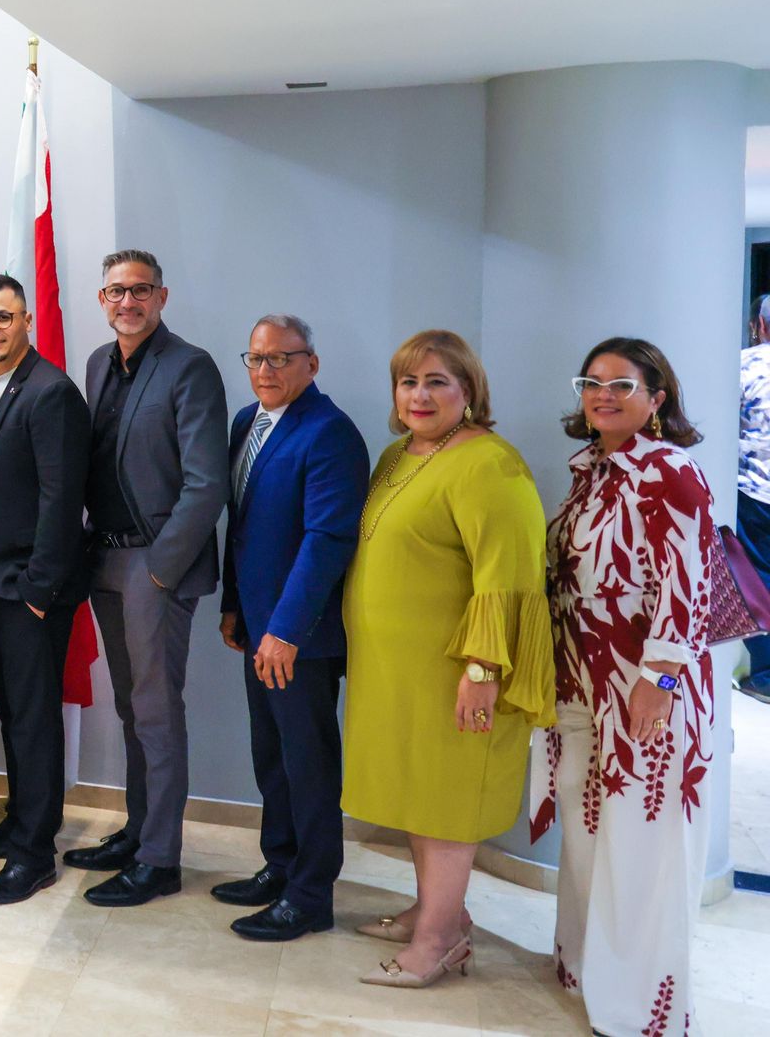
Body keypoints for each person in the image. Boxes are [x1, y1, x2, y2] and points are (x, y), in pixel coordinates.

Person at [343, 329, 552, 988]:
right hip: (394, 671)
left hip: (455, 672)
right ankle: (439, 912)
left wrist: (484, 669)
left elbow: (508, 577)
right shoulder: (395, 455)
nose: (421, 394)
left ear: (470, 392)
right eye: (409, 381)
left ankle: (438, 943)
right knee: (417, 794)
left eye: (438, 381)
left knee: (448, 803)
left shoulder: (491, 463)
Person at [546, 339, 715, 1036]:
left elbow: (689, 585)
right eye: (592, 382)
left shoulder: (671, 473)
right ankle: (586, 968)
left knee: (643, 842)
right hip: (584, 677)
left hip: (648, 683)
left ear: (657, 398)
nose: (603, 394)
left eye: (622, 384)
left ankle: (641, 1008)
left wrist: (660, 679)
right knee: (588, 829)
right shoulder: (593, 472)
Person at [68, 250, 229, 908]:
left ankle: (160, 859)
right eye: (115, 292)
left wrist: (162, 571)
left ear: (161, 297)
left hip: (155, 563)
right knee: (133, 709)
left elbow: (206, 481)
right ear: (101, 301)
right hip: (104, 557)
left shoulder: (189, 366)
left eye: (139, 291)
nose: (126, 302)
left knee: (158, 714)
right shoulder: (99, 364)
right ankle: (137, 833)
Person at [212, 315, 369, 941]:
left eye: (282, 358)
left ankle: (310, 895)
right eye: (255, 359)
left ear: (313, 363)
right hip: (256, 625)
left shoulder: (330, 433)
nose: (266, 371)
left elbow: (328, 540)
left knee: (307, 763)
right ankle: (278, 866)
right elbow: (243, 527)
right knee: (270, 756)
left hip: (297, 635)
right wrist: (234, 606)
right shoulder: (246, 423)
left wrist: (285, 629)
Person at [0, 274, 93, 906]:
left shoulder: (51, 392)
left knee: (34, 720)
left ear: (26, 320)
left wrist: (38, 590)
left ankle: (35, 853)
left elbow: (62, 500)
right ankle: (22, 819)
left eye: (2, 317)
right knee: (15, 713)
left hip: (28, 593)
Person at [735, 295, 770, 704]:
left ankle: (764, 673)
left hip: (755, 491)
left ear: (759, 326)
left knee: (757, 579)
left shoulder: (745, 366)